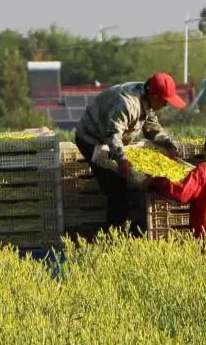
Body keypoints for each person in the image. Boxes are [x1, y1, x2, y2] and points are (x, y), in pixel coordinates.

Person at [74, 72, 185, 235]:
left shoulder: (148, 99)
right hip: (92, 139)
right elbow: (112, 134)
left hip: (111, 140)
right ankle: (114, 235)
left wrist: (169, 145)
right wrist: (121, 160)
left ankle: (124, 222)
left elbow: (151, 128)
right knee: (116, 187)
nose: (166, 105)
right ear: (154, 95)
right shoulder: (128, 103)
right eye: (165, 101)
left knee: (125, 183)